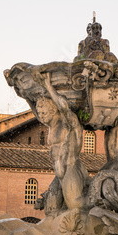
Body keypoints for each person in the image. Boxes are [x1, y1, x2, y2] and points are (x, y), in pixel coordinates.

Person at [34, 72, 89, 210]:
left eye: (43, 113)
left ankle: (101, 206)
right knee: (52, 210)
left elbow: (64, 106)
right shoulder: (50, 125)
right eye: (39, 113)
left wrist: (48, 86)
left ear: (53, 109)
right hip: (59, 176)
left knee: (75, 205)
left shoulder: (68, 122)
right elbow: (36, 110)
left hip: (71, 170)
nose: (41, 117)